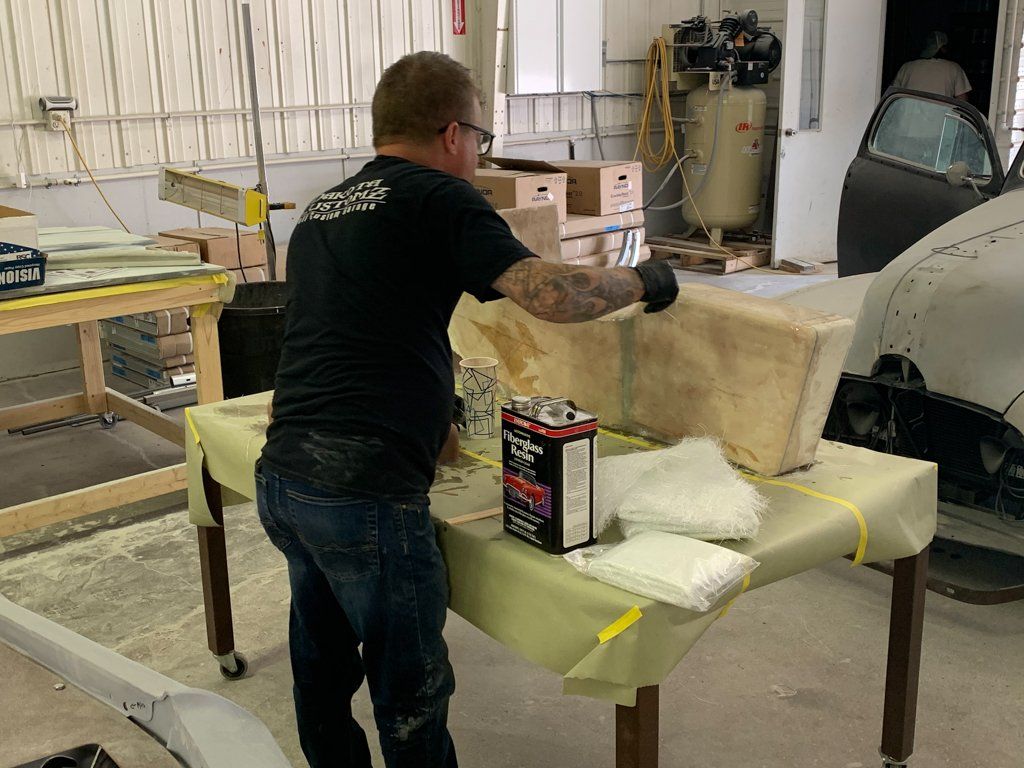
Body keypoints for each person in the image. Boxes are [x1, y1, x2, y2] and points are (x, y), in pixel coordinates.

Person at [255, 51, 678, 768]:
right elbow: (554, 297)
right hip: (366, 491)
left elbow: (365, 322)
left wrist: (436, 403)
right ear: (453, 133)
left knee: (322, 673)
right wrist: (642, 279)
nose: (479, 156)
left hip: (287, 477)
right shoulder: (441, 198)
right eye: (480, 139)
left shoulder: (325, 209)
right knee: (411, 697)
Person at [892, 31, 971, 100]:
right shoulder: (954, 68)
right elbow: (962, 100)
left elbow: (893, 95)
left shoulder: (906, 67)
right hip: (940, 117)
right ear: (943, 48)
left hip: (910, 116)